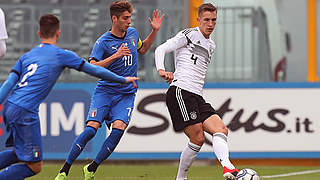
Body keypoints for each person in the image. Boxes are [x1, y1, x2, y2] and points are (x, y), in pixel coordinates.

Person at [0, 14, 138, 180]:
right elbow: (94, 70)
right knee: (34, 166)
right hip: (26, 112)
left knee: (19, 153)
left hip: (10, 107)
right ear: (58, 33)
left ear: (39, 33)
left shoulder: (26, 56)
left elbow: (8, 84)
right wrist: (122, 79)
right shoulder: (62, 55)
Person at [55, 1, 164, 179]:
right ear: (114, 18)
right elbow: (93, 66)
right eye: (125, 18)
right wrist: (115, 56)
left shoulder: (132, 33)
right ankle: (64, 170)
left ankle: (91, 169)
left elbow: (143, 49)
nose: (129, 21)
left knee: (118, 129)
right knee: (91, 130)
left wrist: (155, 31)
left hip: (126, 94)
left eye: (130, 17)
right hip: (105, 92)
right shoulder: (103, 42)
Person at [154, 3, 239, 180]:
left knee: (221, 130)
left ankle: (228, 168)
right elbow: (161, 48)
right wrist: (161, 69)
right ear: (198, 19)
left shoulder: (211, 45)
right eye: (206, 20)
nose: (210, 23)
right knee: (198, 137)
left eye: (214, 20)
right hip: (180, 91)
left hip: (196, 95)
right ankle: (181, 177)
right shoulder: (189, 34)